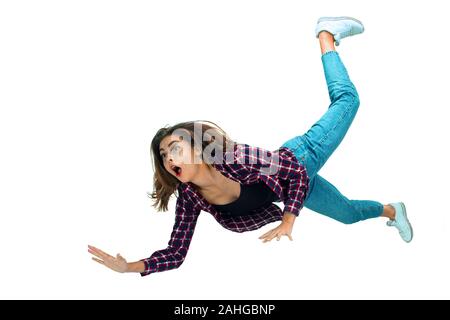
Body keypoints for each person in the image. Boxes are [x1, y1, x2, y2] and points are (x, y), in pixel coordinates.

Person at [88, 16, 413, 276]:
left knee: (347, 100)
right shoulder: (190, 198)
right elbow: (176, 252)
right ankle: (393, 210)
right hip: (291, 189)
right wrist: (130, 266)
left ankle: (326, 33)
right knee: (347, 214)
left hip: (301, 157)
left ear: (198, 149)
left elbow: (297, 172)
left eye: (174, 147)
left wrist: (288, 219)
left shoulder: (234, 158)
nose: (168, 156)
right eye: (163, 155)